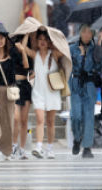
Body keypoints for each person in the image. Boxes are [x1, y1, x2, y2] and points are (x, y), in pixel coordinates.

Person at [24, 28, 64, 159]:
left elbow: (64, 49)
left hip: (52, 93)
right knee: (40, 119)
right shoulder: (34, 54)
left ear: (49, 42)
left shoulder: (54, 54)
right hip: (38, 92)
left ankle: (50, 148)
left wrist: (53, 37)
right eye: (40, 39)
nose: (42, 42)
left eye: (45, 40)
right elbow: (22, 48)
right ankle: (39, 147)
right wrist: (27, 33)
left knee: (50, 121)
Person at [69, 25, 102, 158]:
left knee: (88, 116)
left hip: (89, 84)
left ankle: (87, 147)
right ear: (80, 33)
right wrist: (80, 56)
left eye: (90, 32)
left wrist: (99, 44)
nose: (87, 35)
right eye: (84, 31)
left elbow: (100, 64)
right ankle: (77, 138)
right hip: (76, 83)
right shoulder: (72, 48)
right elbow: (67, 65)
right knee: (76, 115)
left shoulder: (95, 49)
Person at [0, 32, 22, 161]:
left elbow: (25, 65)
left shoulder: (12, 53)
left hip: (8, 91)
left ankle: (6, 151)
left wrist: (22, 51)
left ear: (6, 40)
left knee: (7, 121)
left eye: (1, 38)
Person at [12, 34, 32, 160]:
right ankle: (14, 146)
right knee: (16, 118)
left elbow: (26, 66)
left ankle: (22, 149)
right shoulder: (11, 52)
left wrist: (24, 51)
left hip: (25, 86)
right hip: (14, 86)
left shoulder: (27, 51)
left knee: (24, 120)